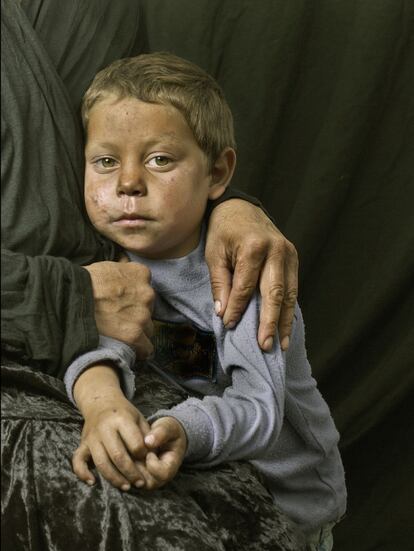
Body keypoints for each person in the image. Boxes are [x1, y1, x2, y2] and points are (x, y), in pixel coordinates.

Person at [66, 52, 347, 550]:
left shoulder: (245, 275)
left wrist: (182, 427)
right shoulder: (103, 262)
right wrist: (102, 405)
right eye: (106, 161)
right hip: (209, 486)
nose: (128, 183)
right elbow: (95, 340)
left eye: (159, 160)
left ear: (217, 172)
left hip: (293, 503)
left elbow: (260, 409)